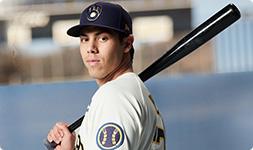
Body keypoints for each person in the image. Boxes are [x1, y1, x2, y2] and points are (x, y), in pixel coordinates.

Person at [47, 1, 165, 150]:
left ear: (127, 44)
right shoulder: (130, 92)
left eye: (102, 38)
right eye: (85, 39)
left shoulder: (115, 97)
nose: (91, 48)